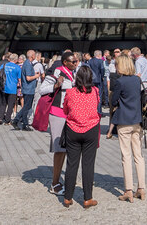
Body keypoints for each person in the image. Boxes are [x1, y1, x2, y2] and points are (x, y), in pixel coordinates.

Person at [38, 51, 78, 197]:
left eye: (76, 61)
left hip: (69, 113)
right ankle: (54, 183)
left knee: (67, 148)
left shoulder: (73, 73)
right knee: (60, 148)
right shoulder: (57, 71)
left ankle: (63, 181)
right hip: (57, 112)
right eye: (73, 61)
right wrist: (56, 85)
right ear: (65, 62)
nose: (76, 63)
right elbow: (42, 90)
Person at [62, 65, 101, 209]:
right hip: (91, 128)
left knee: (72, 164)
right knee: (88, 164)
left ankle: (67, 197)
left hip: (73, 129)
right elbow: (96, 106)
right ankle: (87, 198)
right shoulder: (95, 91)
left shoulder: (70, 92)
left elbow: (65, 109)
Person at [110, 55, 145, 202]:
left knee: (126, 156)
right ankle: (141, 188)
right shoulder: (136, 80)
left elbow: (113, 100)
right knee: (138, 156)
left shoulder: (119, 82)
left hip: (124, 121)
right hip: (137, 120)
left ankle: (128, 190)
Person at [13, 50, 39, 130]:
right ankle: (16, 120)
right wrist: (36, 76)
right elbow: (28, 78)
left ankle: (25, 124)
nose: (35, 56)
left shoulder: (27, 63)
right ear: (32, 56)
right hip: (28, 89)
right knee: (27, 107)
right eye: (34, 54)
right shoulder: (27, 64)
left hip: (27, 88)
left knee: (27, 107)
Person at [0, 54, 22, 125]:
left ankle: (0, 118)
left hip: (4, 87)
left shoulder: (4, 65)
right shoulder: (17, 67)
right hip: (12, 88)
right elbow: (19, 79)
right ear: (16, 60)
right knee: (10, 105)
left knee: (3, 103)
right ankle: (7, 120)